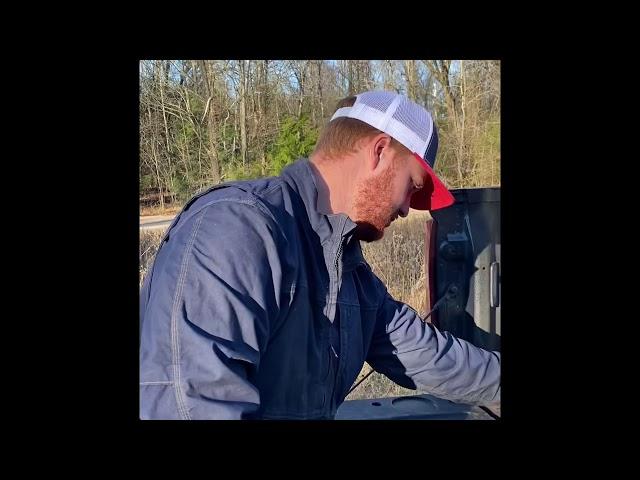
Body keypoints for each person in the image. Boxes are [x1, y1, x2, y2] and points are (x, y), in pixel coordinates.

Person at [139, 90, 501, 420]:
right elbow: (189, 403)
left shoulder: (353, 278)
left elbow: (432, 357)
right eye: (412, 187)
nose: (407, 209)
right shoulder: (238, 228)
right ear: (379, 151)